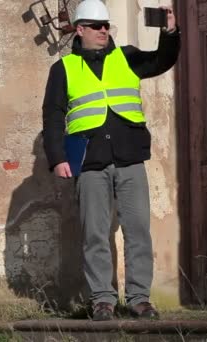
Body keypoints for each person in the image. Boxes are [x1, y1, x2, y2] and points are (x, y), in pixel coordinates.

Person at [41, 0, 181, 321]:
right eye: (96, 26)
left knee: (138, 231)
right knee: (95, 233)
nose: (104, 31)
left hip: (130, 156)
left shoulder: (127, 56)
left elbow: (161, 60)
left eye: (106, 26)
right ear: (80, 30)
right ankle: (102, 299)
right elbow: (52, 115)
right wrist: (57, 158)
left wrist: (170, 32)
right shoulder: (63, 69)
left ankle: (138, 299)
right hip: (87, 160)